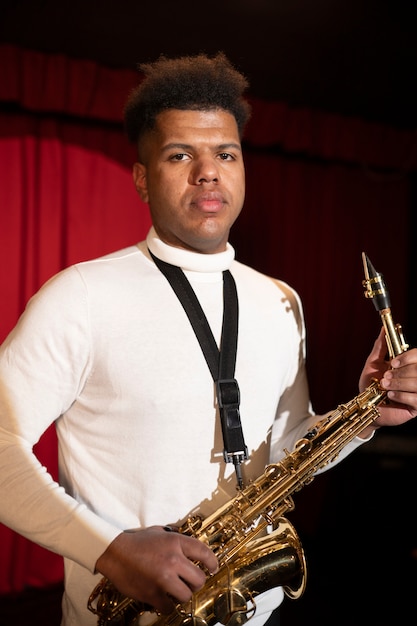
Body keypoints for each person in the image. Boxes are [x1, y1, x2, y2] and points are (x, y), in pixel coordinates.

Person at [0, 52, 416, 626]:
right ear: (142, 178)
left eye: (226, 153)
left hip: (253, 610)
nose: (208, 171)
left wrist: (365, 413)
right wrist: (109, 548)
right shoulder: (80, 296)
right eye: (180, 155)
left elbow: (288, 443)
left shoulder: (280, 299)